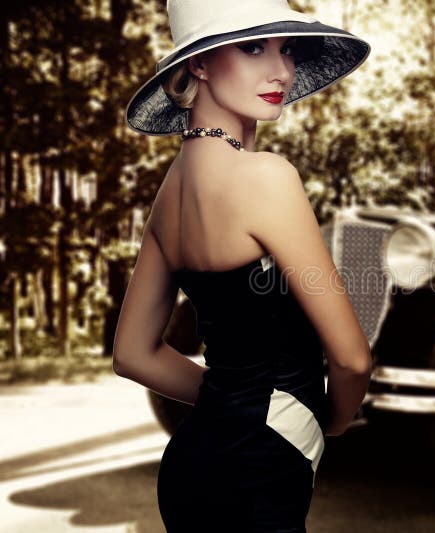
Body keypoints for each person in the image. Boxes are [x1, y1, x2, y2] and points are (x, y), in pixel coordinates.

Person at [112, 0, 373, 531]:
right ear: (199, 64)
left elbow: (133, 354)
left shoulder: (169, 194)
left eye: (287, 49)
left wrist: (228, 397)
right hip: (258, 471)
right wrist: (329, 423)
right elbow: (351, 360)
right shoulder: (266, 178)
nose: (281, 70)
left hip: (191, 465)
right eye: (253, 47)